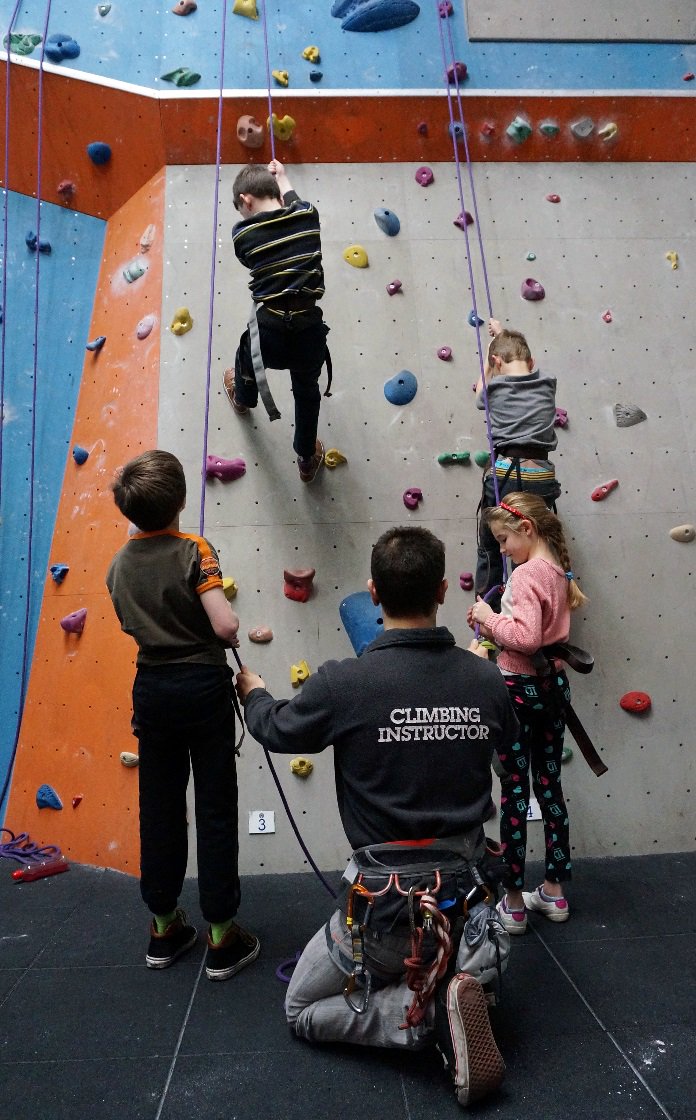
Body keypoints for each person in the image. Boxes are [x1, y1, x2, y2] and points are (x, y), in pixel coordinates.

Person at [235, 526, 520, 1108]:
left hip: (386, 916)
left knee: (302, 1008)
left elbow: (275, 729)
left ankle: (423, 1016)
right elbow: (506, 741)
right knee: (445, 933)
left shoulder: (347, 683)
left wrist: (254, 691)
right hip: (469, 907)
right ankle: (463, 981)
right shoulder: (486, 678)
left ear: (372, 592)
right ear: (443, 591)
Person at [106, 450, 259, 980]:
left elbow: (130, 621)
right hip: (201, 686)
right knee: (215, 804)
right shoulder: (193, 547)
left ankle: (164, 927)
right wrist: (232, 624)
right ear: (180, 502)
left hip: (152, 688)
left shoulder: (119, 562)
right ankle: (222, 936)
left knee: (160, 806)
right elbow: (222, 626)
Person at [468, 492, 588, 936]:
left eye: (503, 540)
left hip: (518, 691)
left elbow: (527, 637)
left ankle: (514, 901)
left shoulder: (526, 573)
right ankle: (554, 891)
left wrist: (487, 617)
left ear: (527, 530)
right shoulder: (556, 569)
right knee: (550, 787)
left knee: (515, 793)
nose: (501, 550)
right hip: (552, 688)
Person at [225, 159, 330, 484]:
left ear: (245, 200)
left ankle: (243, 398)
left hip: (268, 329)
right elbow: (295, 201)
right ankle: (305, 457)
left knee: (246, 357)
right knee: (306, 391)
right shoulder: (307, 216)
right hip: (308, 329)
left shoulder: (243, 233)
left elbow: (247, 259)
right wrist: (283, 178)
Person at [474, 318, 561, 603]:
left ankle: (489, 613)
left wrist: (488, 359)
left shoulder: (495, 390)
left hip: (505, 473)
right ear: (532, 361)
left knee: (493, 543)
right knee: (530, 546)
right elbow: (520, 372)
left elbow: (479, 394)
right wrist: (501, 338)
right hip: (541, 476)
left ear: (497, 362)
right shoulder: (548, 384)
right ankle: (529, 607)